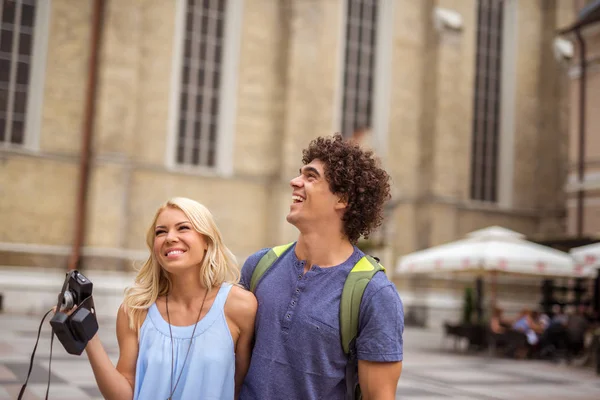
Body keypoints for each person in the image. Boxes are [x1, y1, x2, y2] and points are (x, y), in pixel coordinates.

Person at [239, 134, 404, 399]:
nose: (295, 182)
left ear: (343, 199)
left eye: (311, 176)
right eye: (299, 174)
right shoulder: (259, 265)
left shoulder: (375, 294)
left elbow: (379, 395)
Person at [74, 197, 257, 400]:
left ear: (206, 241)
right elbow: (124, 395)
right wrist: (90, 338)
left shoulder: (240, 306)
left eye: (183, 228)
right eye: (161, 232)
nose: (170, 238)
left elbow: (243, 389)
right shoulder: (135, 310)